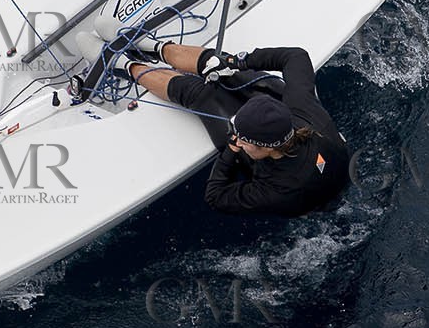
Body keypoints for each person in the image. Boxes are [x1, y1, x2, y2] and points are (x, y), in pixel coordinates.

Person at [114, 41, 350, 216]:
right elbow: (296, 56)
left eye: (242, 138)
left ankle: (127, 66)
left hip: (303, 195)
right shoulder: (305, 111)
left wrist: (231, 151)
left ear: (262, 147)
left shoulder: (276, 192)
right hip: (329, 166)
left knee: (202, 93)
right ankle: (154, 47)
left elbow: (215, 197)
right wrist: (237, 62)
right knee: (217, 67)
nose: (239, 139)